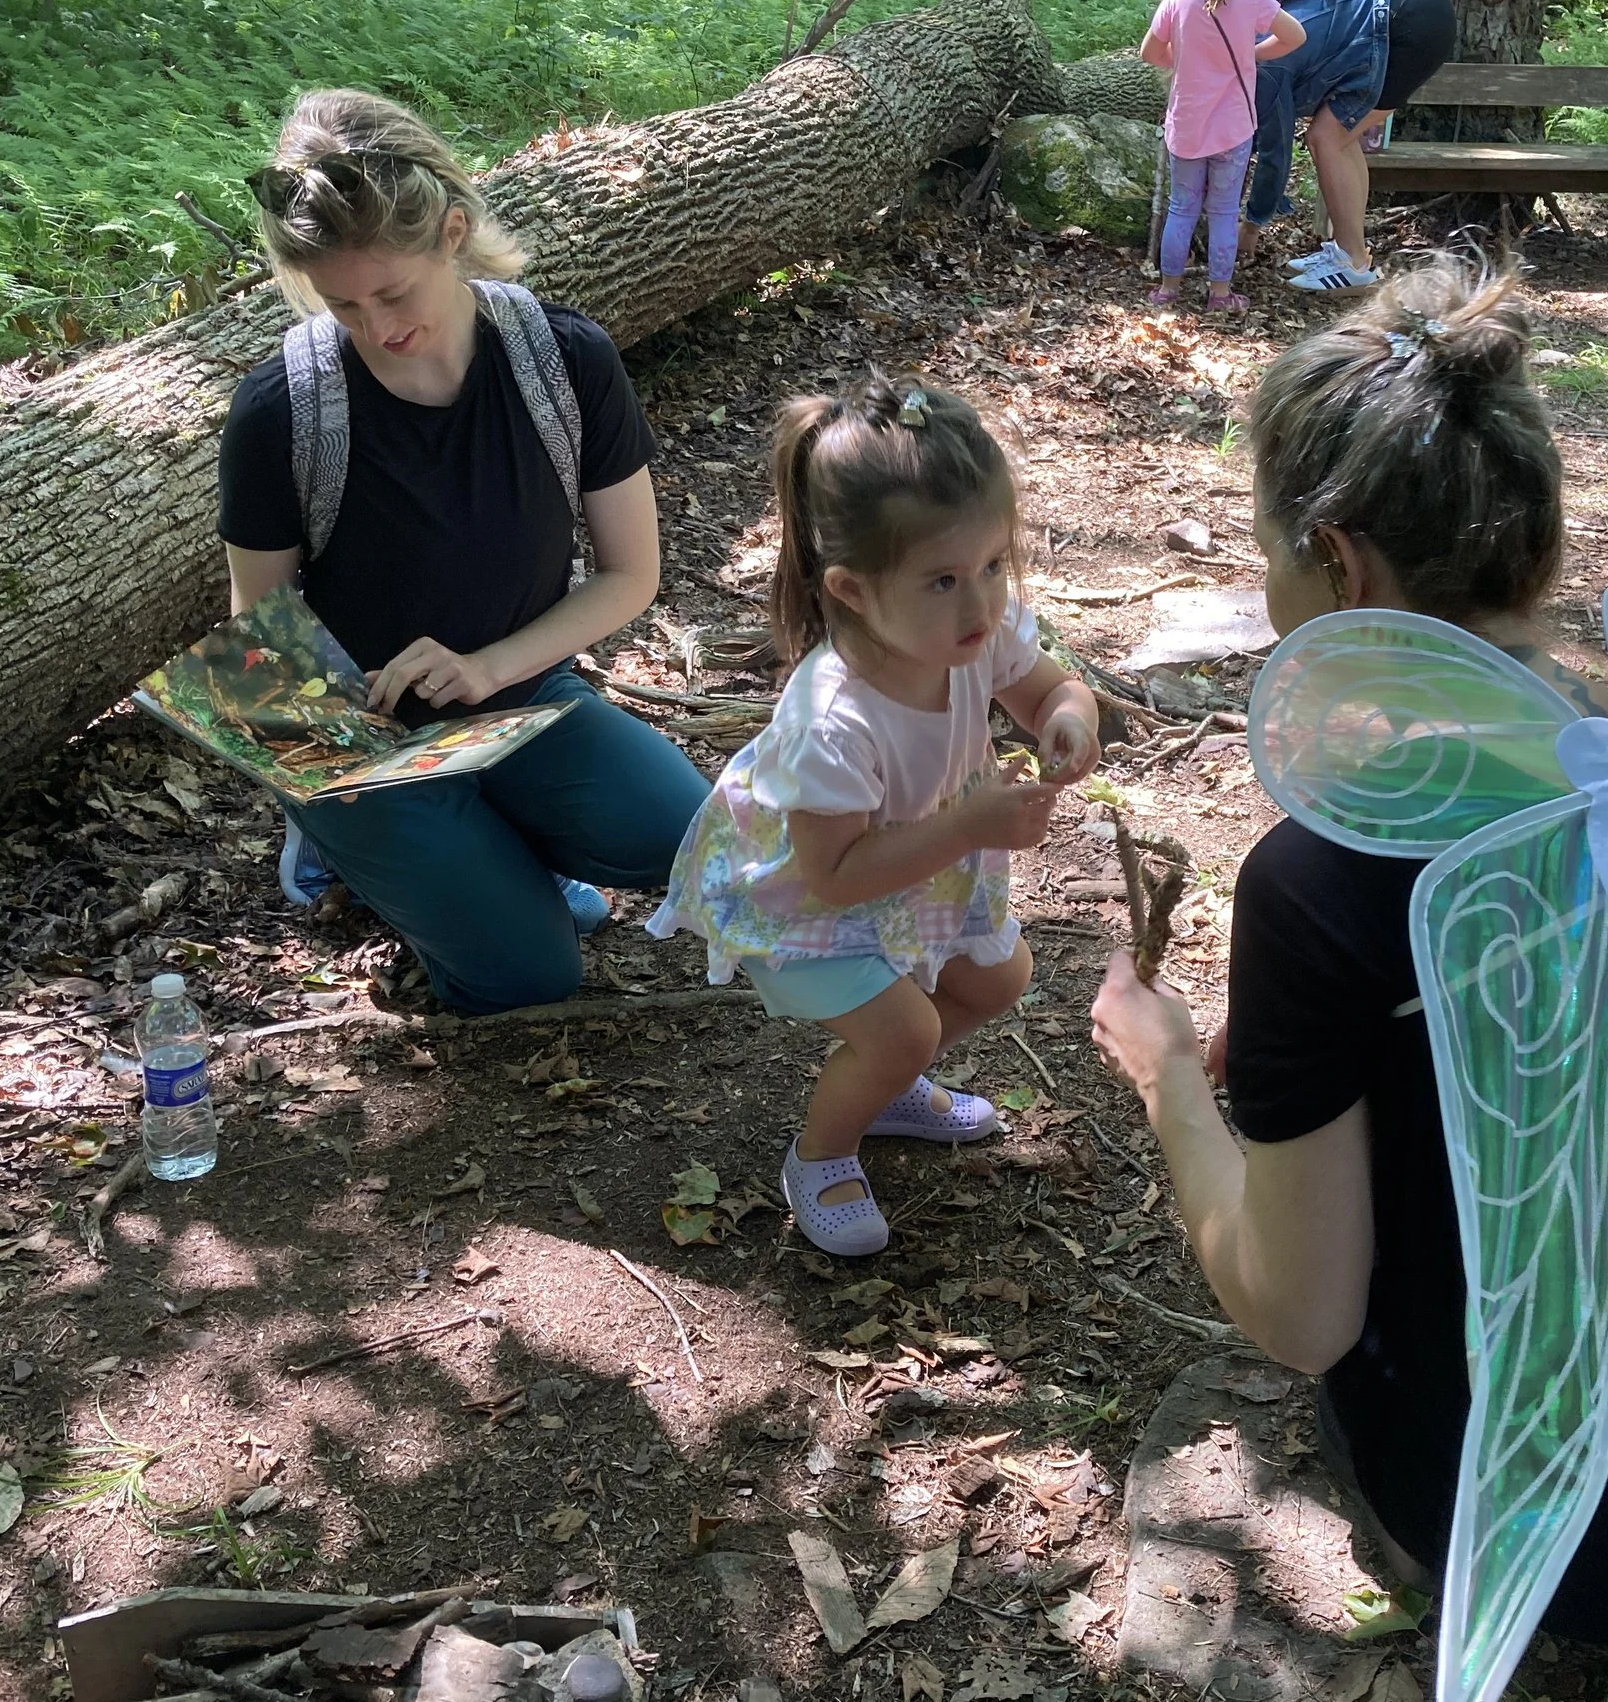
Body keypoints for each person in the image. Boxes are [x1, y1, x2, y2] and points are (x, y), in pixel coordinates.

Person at [1087, 259, 1608, 1646]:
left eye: (1270, 550)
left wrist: (1170, 1071)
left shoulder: (1322, 881)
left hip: (1573, 1550)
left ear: (1343, 559)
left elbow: (1300, 1317)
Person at [219, 88, 711, 1015]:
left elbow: (630, 573)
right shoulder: (283, 409)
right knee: (533, 978)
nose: (377, 327)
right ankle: (352, 847)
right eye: (343, 303)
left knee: (706, 846)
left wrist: (488, 666)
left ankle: (484, 850)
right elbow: (259, 642)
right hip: (355, 743)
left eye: (394, 292)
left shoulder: (564, 359)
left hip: (519, 699)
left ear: (452, 232)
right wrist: (342, 764)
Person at [648, 378, 1102, 1257]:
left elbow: (1050, 684)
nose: (980, 603)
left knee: (998, 978)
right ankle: (819, 1153)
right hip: (808, 898)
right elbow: (836, 874)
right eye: (943, 579)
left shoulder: (972, 633)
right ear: (852, 590)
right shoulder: (832, 717)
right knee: (906, 1028)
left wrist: (1067, 718)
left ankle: (891, 1084)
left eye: (994, 566)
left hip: (915, 863)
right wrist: (972, 825)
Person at [1237, 0, 1457, 293]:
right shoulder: (1241, 21)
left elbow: (1275, 152)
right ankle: (1348, 253)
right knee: (1339, 137)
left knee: (1326, 137)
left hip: (1406, 21)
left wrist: (1250, 228)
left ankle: (1353, 263)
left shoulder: (1262, 66)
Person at [1137, 0, 1304, 315]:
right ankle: (1220, 294)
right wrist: (1254, 53)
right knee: (1225, 211)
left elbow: (1149, 52)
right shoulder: (1253, 1)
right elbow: (1295, 36)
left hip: (1186, 127)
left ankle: (1168, 291)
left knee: (1182, 207)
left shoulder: (1177, 0)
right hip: (1234, 130)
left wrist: (1183, 59)